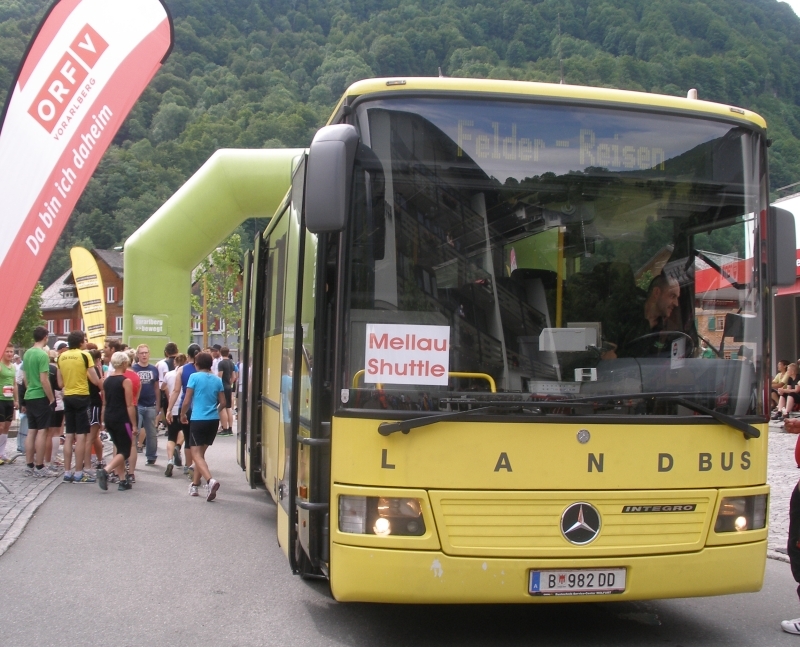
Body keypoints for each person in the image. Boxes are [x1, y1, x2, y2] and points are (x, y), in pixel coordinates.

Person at [57, 330, 101, 483]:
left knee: (69, 435)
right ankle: (78, 473)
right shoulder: (85, 355)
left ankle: (67, 472)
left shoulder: (61, 356)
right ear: (81, 342)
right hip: (82, 396)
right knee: (81, 436)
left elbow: (60, 383)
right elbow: (95, 380)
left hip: (68, 396)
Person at [180, 351, 224, 500]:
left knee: (195, 454)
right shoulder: (217, 380)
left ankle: (210, 481)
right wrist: (214, 410)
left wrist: (182, 414)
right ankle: (194, 485)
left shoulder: (194, 377)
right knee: (200, 455)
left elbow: (187, 400)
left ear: (196, 364)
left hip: (198, 419)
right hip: (213, 420)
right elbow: (224, 402)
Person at [96, 352, 136, 491]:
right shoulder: (125, 381)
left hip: (109, 416)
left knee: (119, 447)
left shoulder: (106, 381)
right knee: (126, 451)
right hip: (122, 418)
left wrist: (102, 420)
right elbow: (129, 404)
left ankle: (122, 480)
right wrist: (134, 424)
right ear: (124, 363)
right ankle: (106, 471)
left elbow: (105, 402)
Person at [22, 326, 56, 477]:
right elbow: (44, 380)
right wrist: (51, 398)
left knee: (31, 431)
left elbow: (24, 376)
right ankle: (40, 466)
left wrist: (29, 387)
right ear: (45, 337)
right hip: (40, 396)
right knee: (42, 431)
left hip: (30, 395)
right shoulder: (42, 355)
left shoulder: (27, 353)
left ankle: (29, 464)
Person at [167, 343, 201, 478]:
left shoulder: (181, 370)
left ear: (188, 355)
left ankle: (188, 466)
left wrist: (169, 409)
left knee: (187, 438)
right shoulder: (204, 370)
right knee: (197, 440)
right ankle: (195, 465)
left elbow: (176, 391)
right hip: (200, 408)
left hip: (185, 408)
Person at [133, 345, 159, 465]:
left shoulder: (154, 369)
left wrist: (158, 404)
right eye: (141, 353)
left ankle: (151, 456)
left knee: (152, 433)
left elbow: (156, 388)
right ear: (137, 355)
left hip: (150, 405)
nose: (144, 355)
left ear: (149, 354)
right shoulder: (133, 369)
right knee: (135, 431)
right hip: (137, 405)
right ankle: (131, 457)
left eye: (146, 353)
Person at [163, 354, 186, 477]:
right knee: (183, 431)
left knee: (171, 436)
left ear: (175, 363)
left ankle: (170, 460)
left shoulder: (169, 374)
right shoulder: (187, 374)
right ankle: (178, 446)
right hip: (183, 408)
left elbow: (162, 387)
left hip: (172, 407)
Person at [86, 349, 105, 470]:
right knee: (90, 437)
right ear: (97, 360)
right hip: (94, 403)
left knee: (95, 435)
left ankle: (99, 460)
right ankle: (86, 464)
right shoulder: (94, 370)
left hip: (87, 402)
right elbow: (101, 386)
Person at [0, 342, 19, 464]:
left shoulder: (13, 367)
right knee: (0, 426)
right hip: (0, 398)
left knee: (7, 426)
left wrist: (16, 400)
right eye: (7, 351)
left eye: (11, 351)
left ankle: (2, 452)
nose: (9, 354)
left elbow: (14, 383)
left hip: (9, 399)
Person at [156, 342, 179, 432]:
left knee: (168, 411)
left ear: (166, 352)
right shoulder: (181, 362)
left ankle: (170, 429)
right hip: (179, 391)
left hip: (167, 392)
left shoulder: (162, 363)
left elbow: (164, 382)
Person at [217, 346, 236, 436]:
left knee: (222, 407)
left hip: (222, 387)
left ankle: (224, 428)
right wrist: (230, 383)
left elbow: (219, 376)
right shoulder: (231, 363)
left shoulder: (221, 363)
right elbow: (234, 376)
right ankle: (230, 428)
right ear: (228, 353)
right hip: (228, 386)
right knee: (229, 407)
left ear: (220, 352)